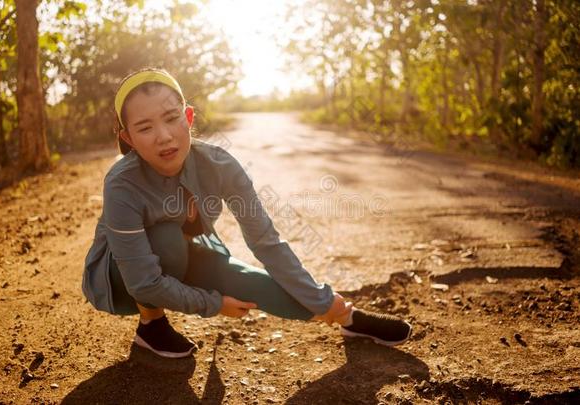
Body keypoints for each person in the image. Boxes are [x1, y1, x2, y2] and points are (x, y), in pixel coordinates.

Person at [82, 68, 412, 358]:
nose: (164, 136)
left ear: (189, 117)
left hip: (191, 257)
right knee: (166, 238)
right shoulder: (122, 184)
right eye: (145, 127)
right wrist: (213, 304)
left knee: (267, 289)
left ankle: (350, 320)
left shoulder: (219, 164)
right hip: (124, 274)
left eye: (172, 118)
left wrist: (323, 301)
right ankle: (152, 323)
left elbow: (266, 242)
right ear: (128, 138)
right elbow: (143, 280)